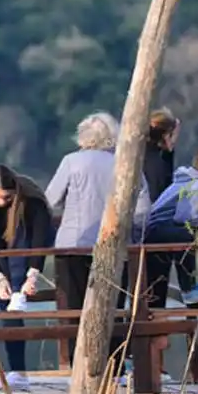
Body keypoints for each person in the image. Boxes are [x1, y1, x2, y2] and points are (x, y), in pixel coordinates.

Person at [45, 112, 151, 314]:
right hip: (115, 246)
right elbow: (143, 213)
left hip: (73, 245)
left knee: (74, 310)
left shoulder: (71, 161)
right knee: (111, 310)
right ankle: (115, 345)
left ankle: (75, 344)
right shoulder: (129, 165)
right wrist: (133, 238)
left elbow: (50, 200)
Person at [0, 164, 54, 390]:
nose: (1, 203)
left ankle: (19, 370)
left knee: (16, 298)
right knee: (6, 302)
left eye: (6, 198)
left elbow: (40, 241)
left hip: (26, 241)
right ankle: (16, 368)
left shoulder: (32, 203)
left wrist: (32, 276)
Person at [144, 146, 198, 308]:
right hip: (162, 229)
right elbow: (186, 217)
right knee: (189, 234)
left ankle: (186, 293)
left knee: (157, 282)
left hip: (153, 230)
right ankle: (189, 288)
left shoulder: (185, 180)